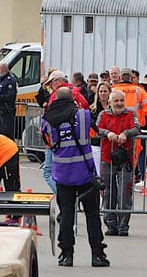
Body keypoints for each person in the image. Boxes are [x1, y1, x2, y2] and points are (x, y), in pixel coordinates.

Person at [42, 87, 108, 267]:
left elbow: (48, 143)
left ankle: (66, 255)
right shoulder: (84, 115)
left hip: (63, 174)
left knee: (67, 215)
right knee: (92, 215)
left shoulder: (47, 120)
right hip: (85, 173)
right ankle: (97, 255)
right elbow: (94, 133)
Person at [96, 89, 140, 237]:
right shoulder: (103, 114)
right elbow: (97, 128)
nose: (120, 103)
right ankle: (110, 224)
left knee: (124, 194)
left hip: (125, 159)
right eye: (116, 101)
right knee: (108, 193)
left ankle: (123, 226)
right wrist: (107, 133)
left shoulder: (131, 113)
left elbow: (136, 128)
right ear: (110, 102)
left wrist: (125, 134)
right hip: (107, 158)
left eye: (122, 100)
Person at [0, 60, 19, 138]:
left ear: (2, 69)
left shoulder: (9, 80)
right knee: (1, 131)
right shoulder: (2, 79)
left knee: (6, 132)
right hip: (0, 110)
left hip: (7, 110)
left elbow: (10, 96)